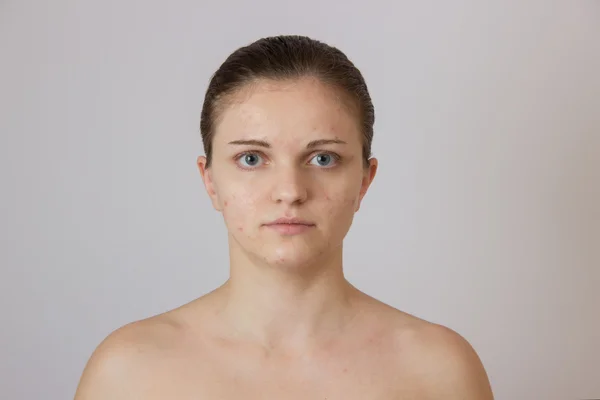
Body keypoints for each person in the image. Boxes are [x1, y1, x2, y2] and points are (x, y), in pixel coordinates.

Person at [74, 35, 494, 399]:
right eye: (252, 158)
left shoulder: (439, 371)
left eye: (323, 158)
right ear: (210, 181)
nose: (290, 191)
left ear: (364, 180)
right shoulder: (129, 373)